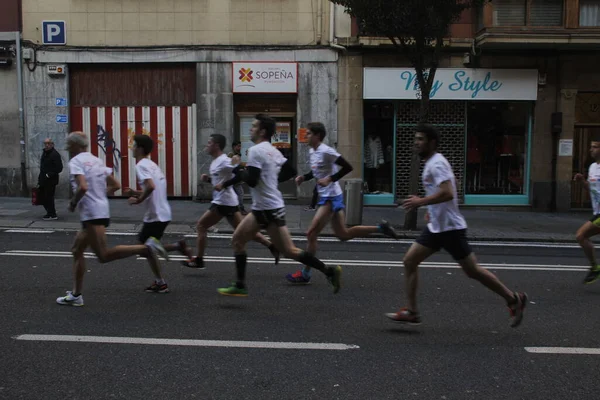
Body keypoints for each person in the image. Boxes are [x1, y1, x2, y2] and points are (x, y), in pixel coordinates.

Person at [386, 124, 527, 327]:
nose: (416, 143)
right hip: (438, 227)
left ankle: (514, 299)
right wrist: (431, 212)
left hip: (450, 229)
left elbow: (448, 192)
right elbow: (444, 192)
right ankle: (412, 311)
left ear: (432, 142)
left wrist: (420, 202)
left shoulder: (437, 164)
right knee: (409, 261)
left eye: (420, 139)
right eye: (415, 139)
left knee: (473, 271)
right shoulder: (431, 163)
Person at [217, 114, 342, 297]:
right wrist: (272, 182)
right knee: (241, 240)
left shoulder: (255, 150)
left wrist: (237, 167)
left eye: (254, 126)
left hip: (267, 209)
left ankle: (329, 271)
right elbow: (290, 171)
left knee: (285, 250)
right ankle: (240, 284)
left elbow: (251, 181)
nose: (251, 129)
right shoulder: (272, 150)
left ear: (262, 131)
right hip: (266, 207)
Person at [56, 132, 168, 306]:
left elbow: (83, 187)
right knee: (76, 250)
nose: (68, 149)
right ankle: (76, 295)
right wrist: (100, 195)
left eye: (69, 146)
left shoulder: (76, 162)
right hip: (98, 211)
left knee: (103, 256)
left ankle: (146, 248)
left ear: (76, 146)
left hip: (92, 214)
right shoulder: (96, 161)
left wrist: (73, 203)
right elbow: (115, 185)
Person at [286, 122, 399, 284]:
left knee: (311, 233)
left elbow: (348, 167)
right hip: (328, 197)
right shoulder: (313, 151)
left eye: (309, 133)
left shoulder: (327, 151)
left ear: (318, 136)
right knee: (343, 234)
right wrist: (304, 177)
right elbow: (317, 170)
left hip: (331, 197)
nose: (306, 136)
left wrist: (330, 179)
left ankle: (306, 273)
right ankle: (381, 228)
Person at [181, 134, 280, 270]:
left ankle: (199, 259)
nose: (207, 145)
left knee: (201, 226)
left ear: (216, 145)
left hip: (223, 202)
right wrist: (209, 180)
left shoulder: (223, 160)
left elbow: (239, 174)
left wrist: (225, 184)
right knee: (244, 231)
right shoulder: (216, 161)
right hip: (228, 202)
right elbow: (219, 181)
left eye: (209, 143)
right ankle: (271, 246)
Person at [124, 134, 194, 293]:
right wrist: (136, 192)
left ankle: (176, 250)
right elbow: (152, 187)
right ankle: (161, 281)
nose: (132, 148)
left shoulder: (141, 165)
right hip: (163, 212)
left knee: (144, 248)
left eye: (133, 145)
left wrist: (139, 199)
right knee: (147, 248)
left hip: (155, 215)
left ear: (140, 148)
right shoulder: (152, 164)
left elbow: (150, 187)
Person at [574, 138, 600, 284]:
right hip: (597, 212)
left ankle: (595, 268)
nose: (591, 150)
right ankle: (595, 268)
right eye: (591, 147)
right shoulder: (592, 167)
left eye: (595, 147)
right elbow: (591, 189)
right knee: (581, 237)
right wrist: (582, 181)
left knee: (581, 235)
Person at [38, 138, 63, 220]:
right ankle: (50, 212)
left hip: (51, 180)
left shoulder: (54, 154)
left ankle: (52, 214)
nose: (47, 145)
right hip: (43, 179)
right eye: (45, 143)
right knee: (42, 196)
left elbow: (59, 168)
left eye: (49, 143)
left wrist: (49, 175)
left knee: (49, 197)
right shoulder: (45, 153)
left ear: (52, 144)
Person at [228, 140, 247, 214]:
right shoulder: (231, 154)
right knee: (240, 193)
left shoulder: (239, 154)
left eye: (240, 146)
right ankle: (241, 208)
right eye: (238, 146)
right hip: (234, 178)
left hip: (237, 178)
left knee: (236, 194)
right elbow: (231, 166)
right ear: (234, 147)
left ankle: (234, 209)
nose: (239, 147)